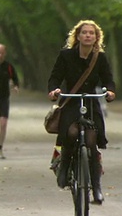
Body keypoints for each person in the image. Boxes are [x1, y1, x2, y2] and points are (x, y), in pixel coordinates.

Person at [47, 20, 116, 204]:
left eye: (91, 33)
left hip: (91, 102)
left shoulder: (99, 58)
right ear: (77, 36)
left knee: (92, 140)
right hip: (71, 101)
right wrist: (54, 90)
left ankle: (97, 187)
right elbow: (55, 77)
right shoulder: (66, 56)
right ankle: (64, 169)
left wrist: (110, 91)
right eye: (84, 32)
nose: (87, 35)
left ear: (96, 37)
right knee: (71, 132)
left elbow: (108, 79)